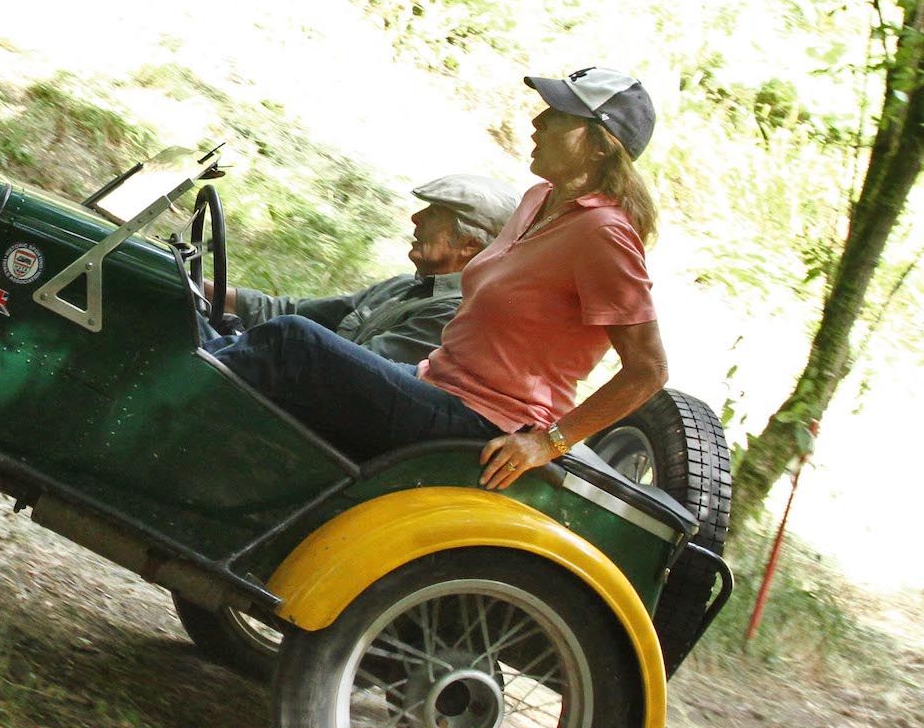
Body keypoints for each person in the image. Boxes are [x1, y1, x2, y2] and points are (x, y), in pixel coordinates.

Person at [210, 67, 669, 492]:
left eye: (558, 115)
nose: (538, 121)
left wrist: (549, 443)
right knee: (248, 345)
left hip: (485, 421)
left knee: (292, 343)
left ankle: (172, 416)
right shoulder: (538, 199)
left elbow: (648, 369)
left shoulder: (604, 234)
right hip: (434, 382)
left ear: (600, 145)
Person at [226, 173, 520, 364]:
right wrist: (207, 289)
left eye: (433, 214)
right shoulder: (403, 286)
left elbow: (343, 369)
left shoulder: (449, 315)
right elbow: (292, 311)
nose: (416, 218)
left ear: (468, 245)